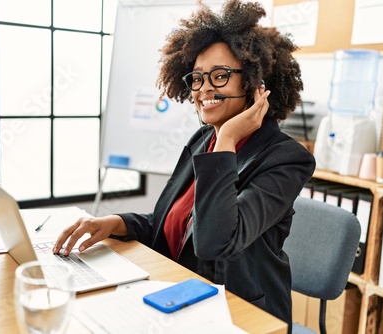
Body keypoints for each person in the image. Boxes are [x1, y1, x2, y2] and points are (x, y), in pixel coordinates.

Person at [54, 0, 315, 331]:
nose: (204, 88)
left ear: (254, 83)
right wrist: (114, 222)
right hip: (180, 295)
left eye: (220, 76)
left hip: (242, 315)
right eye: (197, 77)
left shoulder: (285, 158)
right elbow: (170, 224)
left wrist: (227, 140)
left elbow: (214, 243)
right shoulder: (202, 139)